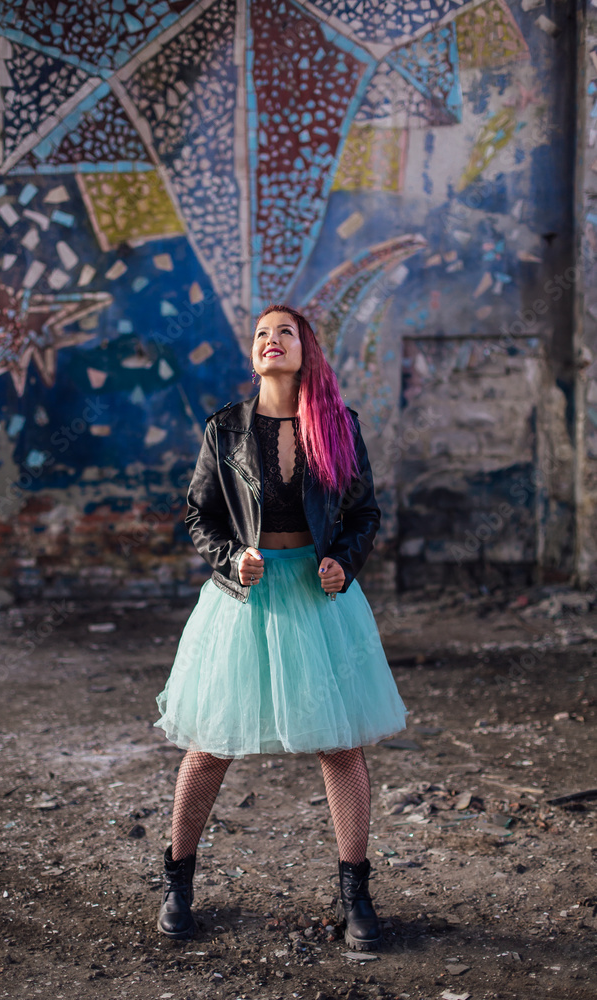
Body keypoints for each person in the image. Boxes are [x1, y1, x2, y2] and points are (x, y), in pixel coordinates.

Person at [153, 304, 409, 950]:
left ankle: (355, 891)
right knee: (210, 745)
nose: (271, 340)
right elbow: (198, 514)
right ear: (253, 354)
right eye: (261, 334)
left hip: (319, 599)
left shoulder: (338, 426)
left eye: (284, 332)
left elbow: (364, 512)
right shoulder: (225, 429)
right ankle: (177, 882)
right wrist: (230, 559)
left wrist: (342, 562)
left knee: (339, 744)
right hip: (245, 597)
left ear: (306, 350)